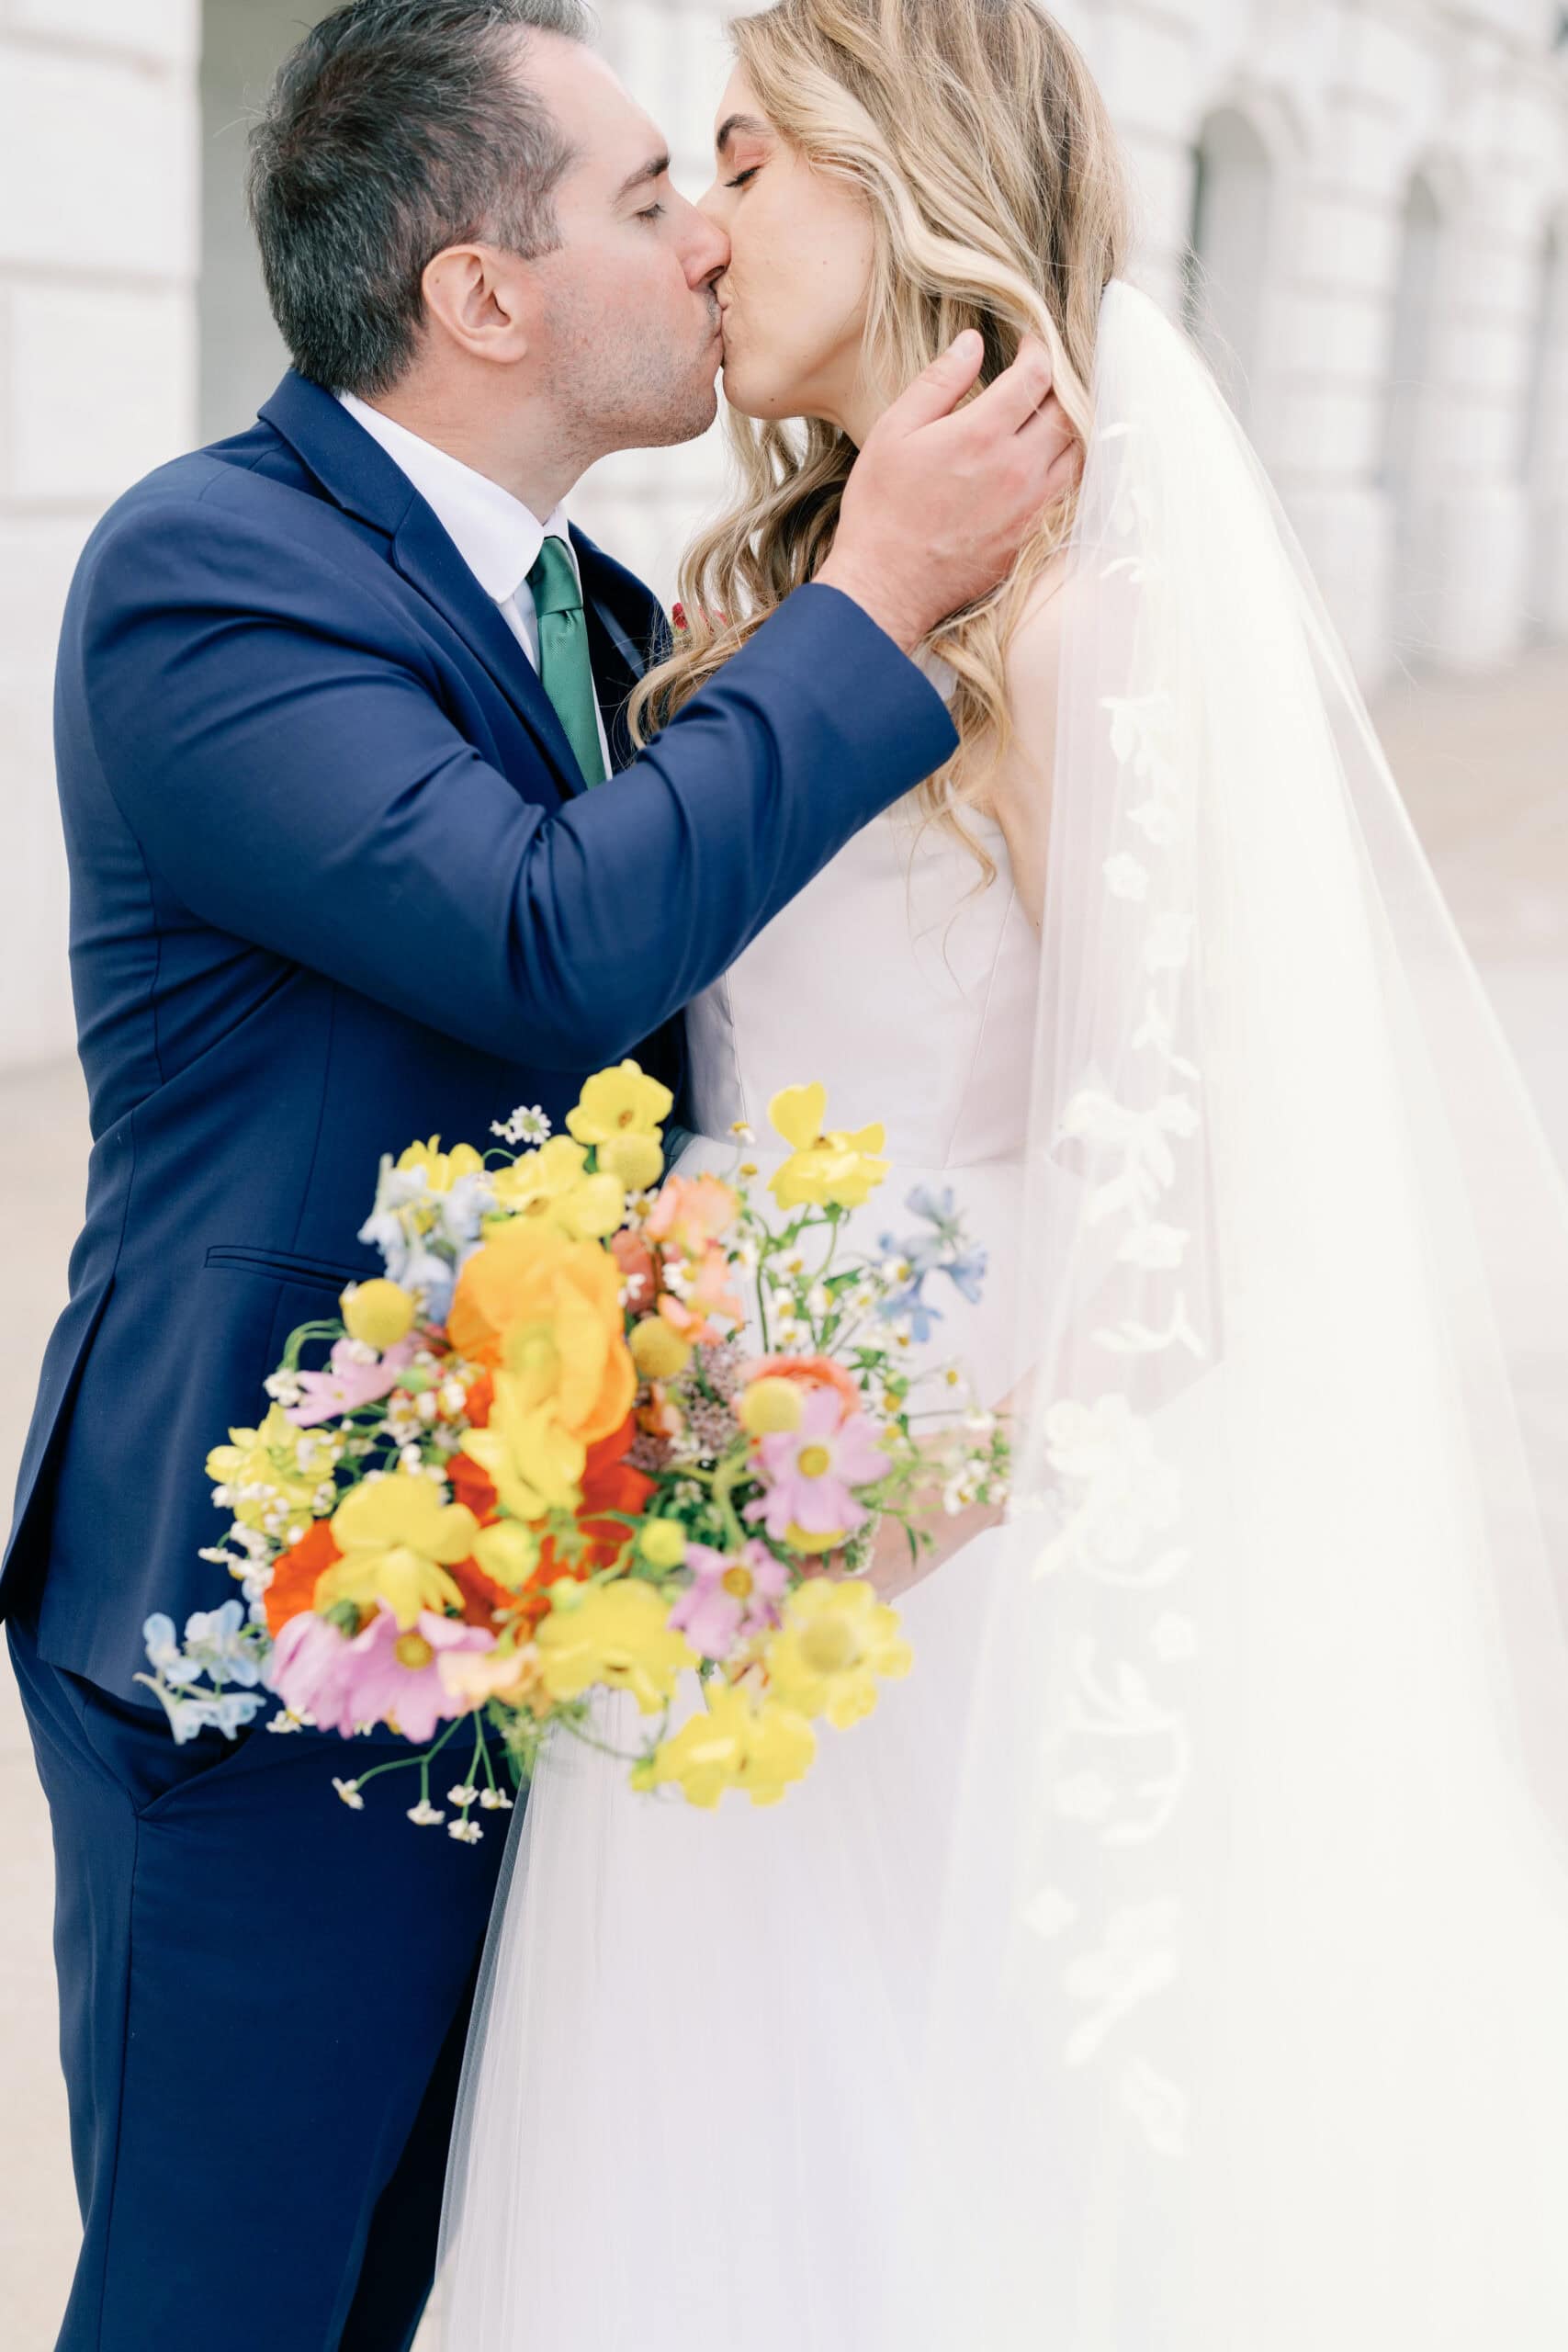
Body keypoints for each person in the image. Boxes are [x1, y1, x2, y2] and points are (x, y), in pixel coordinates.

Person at [434, 2, 1568, 2346]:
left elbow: (1182, 1214)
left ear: (901, 164)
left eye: (742, 158)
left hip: (936, 1575)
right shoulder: (753, 606)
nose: (702, 225)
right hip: (724, 1543)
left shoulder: (1082, 628)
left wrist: (853, 1494)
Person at [0, 3, 1083, 2346]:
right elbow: (538, 939)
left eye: (726, 177)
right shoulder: (212, 566)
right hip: (270, 1616)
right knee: (237, 2294)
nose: (704, 240)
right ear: (479, 293)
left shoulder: (615, 615)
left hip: (588, 1601)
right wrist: (878, 593)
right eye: (643, 195)